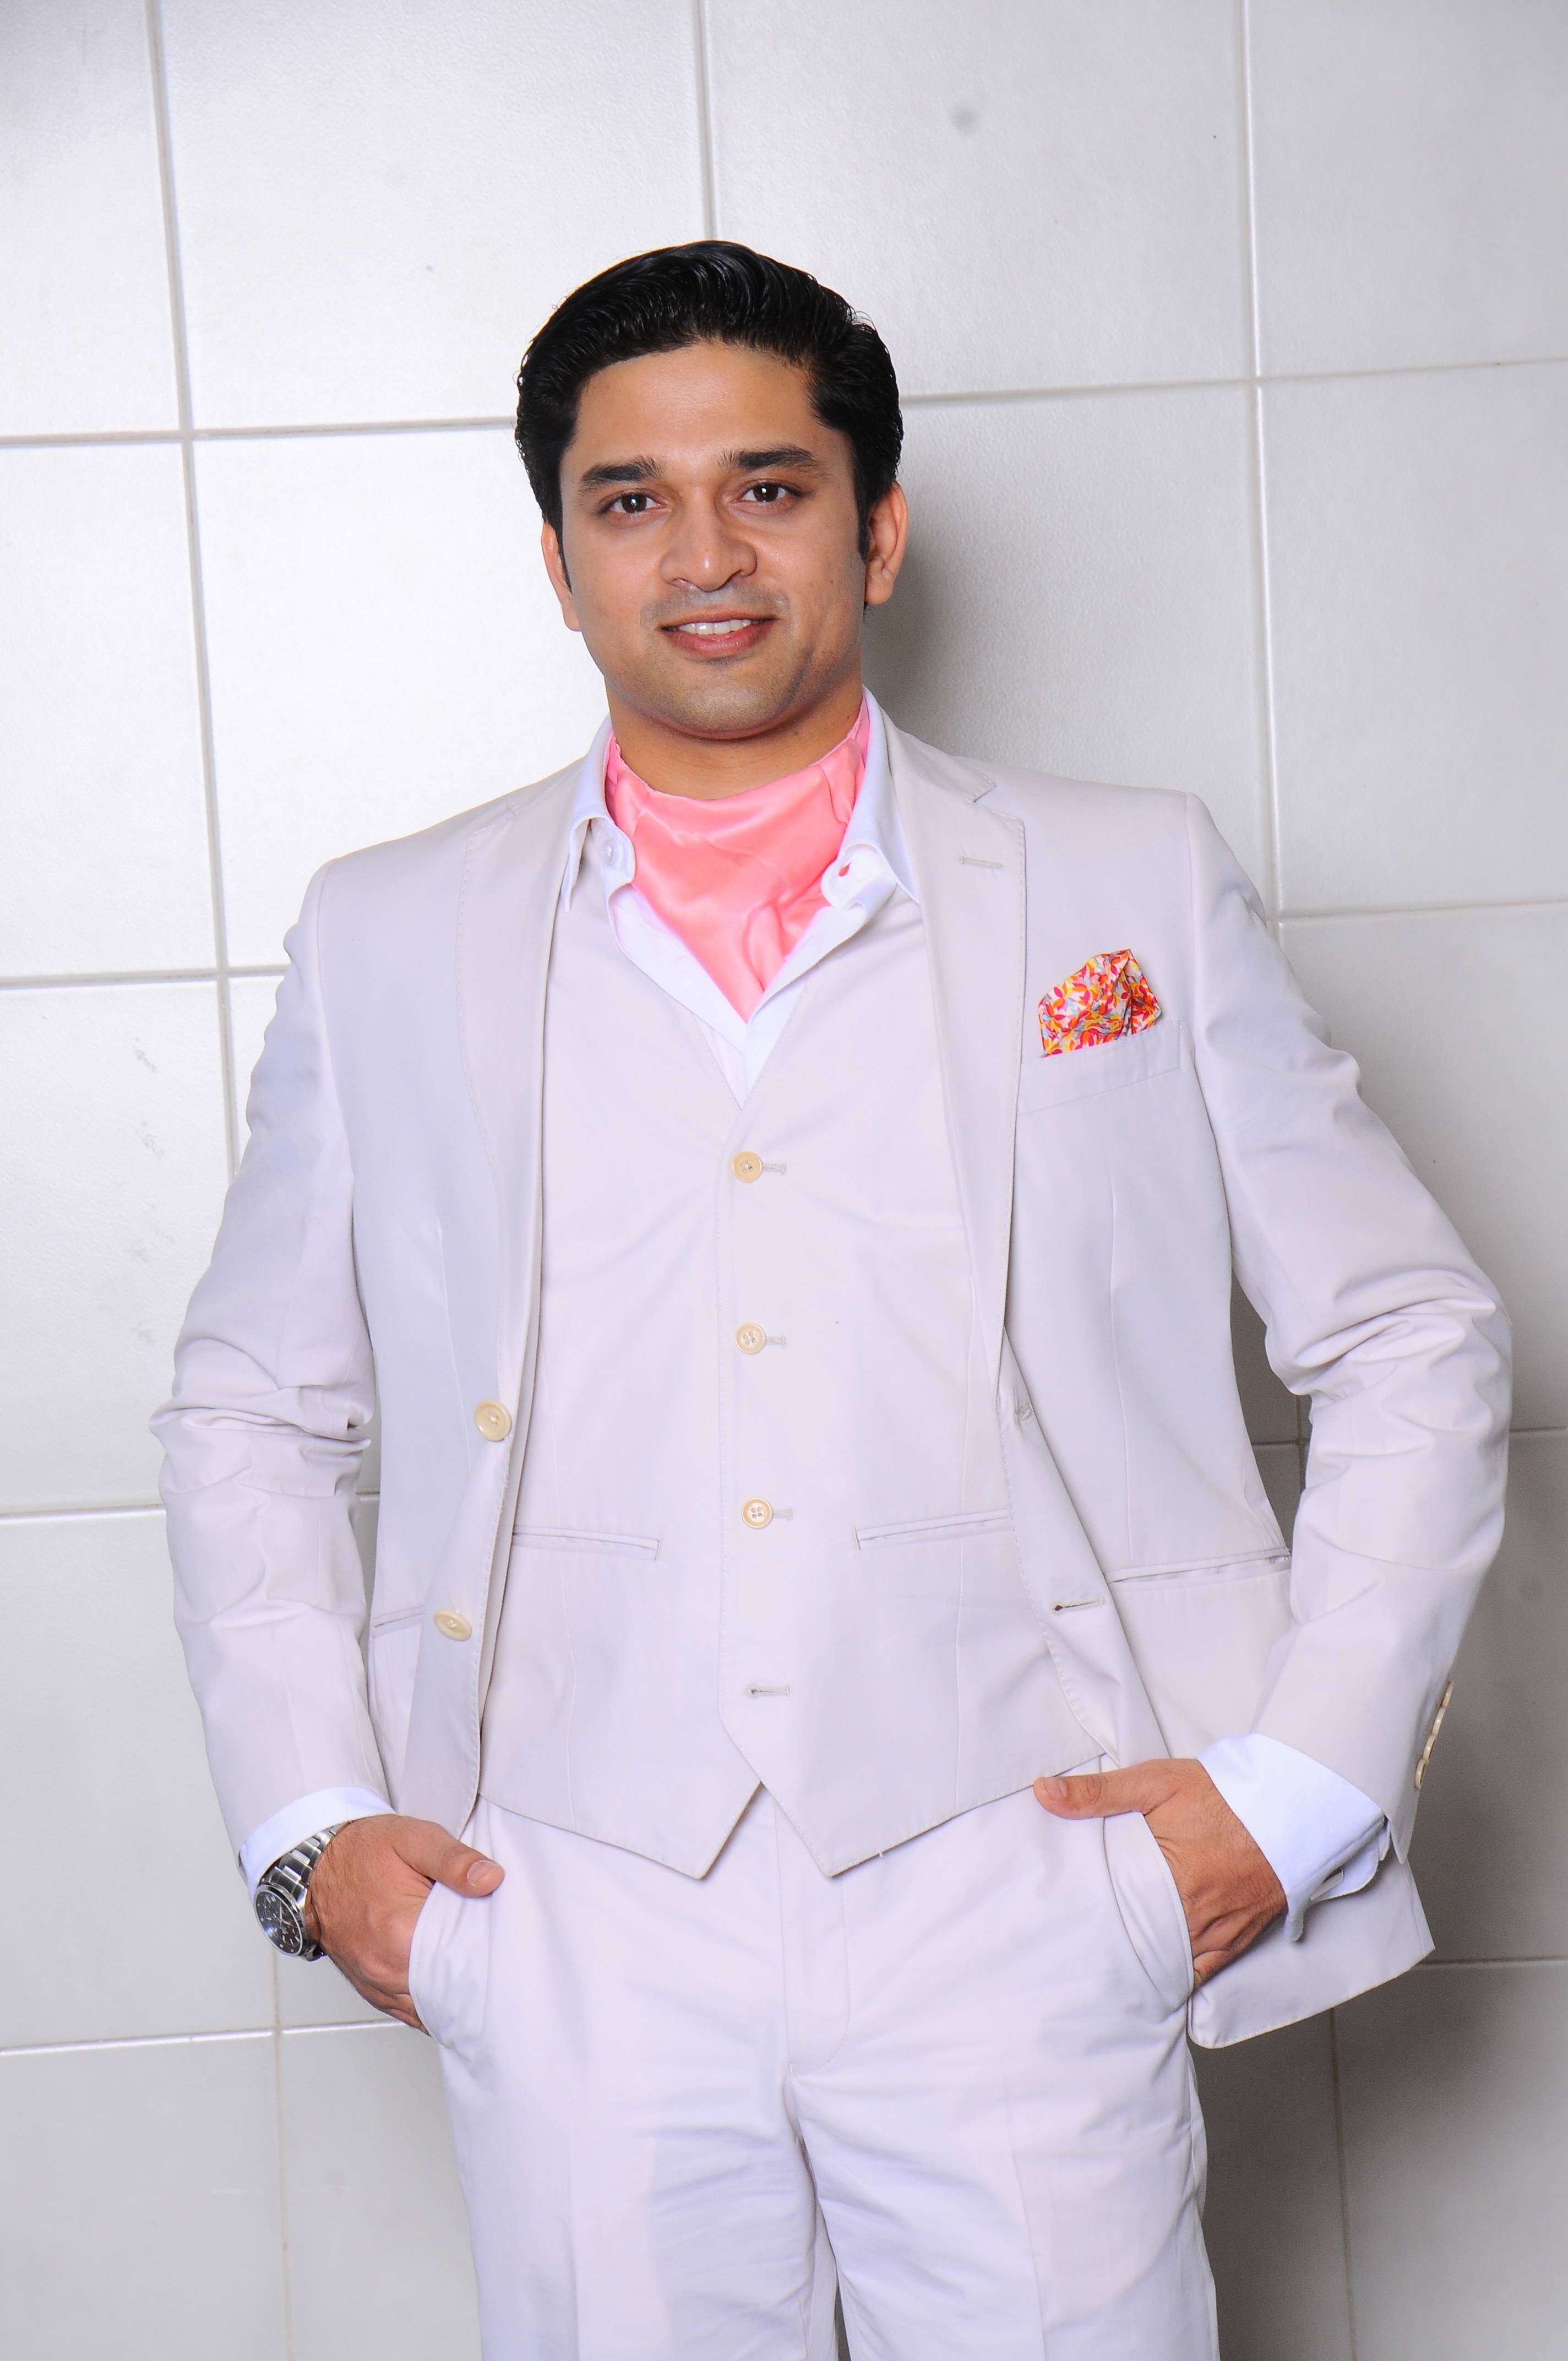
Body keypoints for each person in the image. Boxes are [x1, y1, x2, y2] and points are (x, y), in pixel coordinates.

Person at [156, 242, 1509, 2359]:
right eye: (632, 500)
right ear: (558, 559)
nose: (703, 555)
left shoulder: (1124, 884)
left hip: (1028, 1878)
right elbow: (249, 1403)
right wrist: (311, 1828)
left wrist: (1303, 1788)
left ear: (874, 531)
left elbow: (1411, 1328)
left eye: (768, 488)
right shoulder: (385, 932)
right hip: (566, 1903)